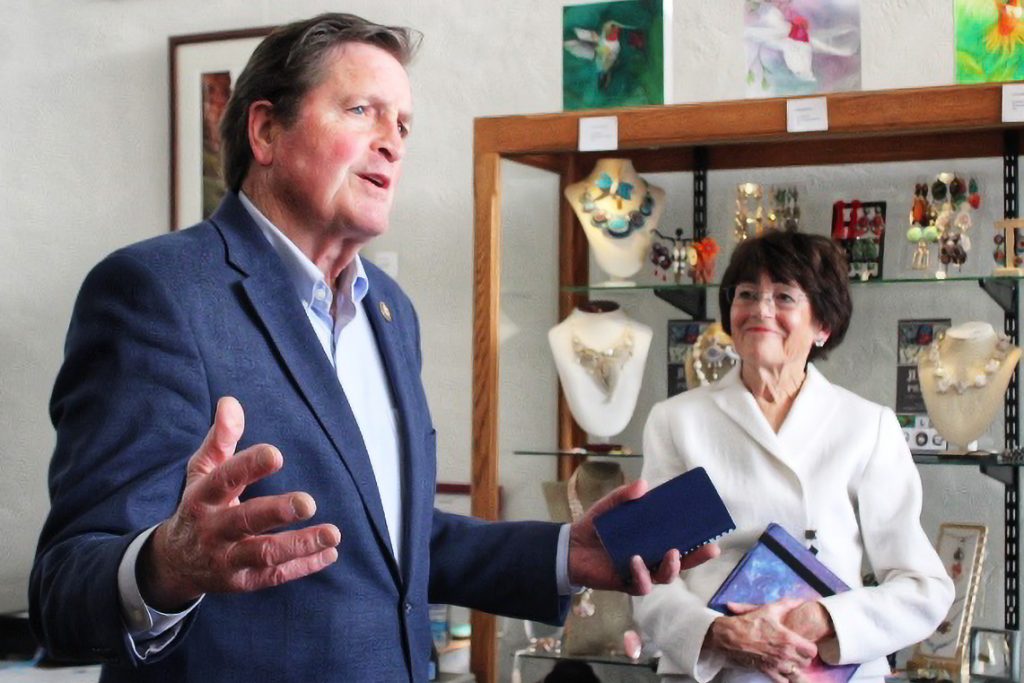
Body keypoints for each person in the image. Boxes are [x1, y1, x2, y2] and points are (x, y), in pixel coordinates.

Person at [29, 13, 716, 683]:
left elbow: (398, 543)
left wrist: (568, 552)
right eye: (362, 110)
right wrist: (166, 566)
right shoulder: (159, 291)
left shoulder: (390, 311)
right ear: (265, 130)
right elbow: (64, 587)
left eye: (403, 124)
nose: (392, 141)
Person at [633, 230, 954, 683]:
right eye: (747, 294)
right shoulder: (677, 421)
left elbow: (924, 588)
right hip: (716, 670)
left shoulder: (867, 425)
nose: (761, 310)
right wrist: (718, 633)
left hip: (830, 668)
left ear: (823, 325)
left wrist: (824, 619)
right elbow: (651, 577)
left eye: (784, 296)